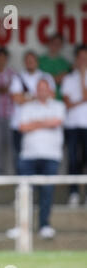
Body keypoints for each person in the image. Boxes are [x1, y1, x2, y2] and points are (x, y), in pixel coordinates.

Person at [7, 79, 65, 239]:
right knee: (24, 192)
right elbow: (23, 127)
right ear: (36, 91)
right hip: (28, 156)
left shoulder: (58, 106)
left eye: (45, 89)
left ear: (50, 91)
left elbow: (57, 122)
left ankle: (44, 225)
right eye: (39, 89)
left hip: (51, 155)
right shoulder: (26, 107)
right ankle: (21, 226)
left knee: (47, 192)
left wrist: (35, 123)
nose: (42, 91)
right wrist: (46, 122)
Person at [9, 51, 56, 174]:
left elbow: (52, 96)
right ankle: (22, 187)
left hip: (42, 123)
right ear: (24, 62)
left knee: (42, 156)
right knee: (20, 157)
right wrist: (38, 96)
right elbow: (16, 98)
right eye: (27, 60)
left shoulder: (46, 77)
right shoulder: (18, 77)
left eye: (32, 60)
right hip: (20, 124)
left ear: (37, 61)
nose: (30, 63)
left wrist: (27, 97)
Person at [61, 44, 87, 207]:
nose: (83, 60)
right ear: (76, 59)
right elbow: (67, 103)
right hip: (71, 125)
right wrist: (81, 100)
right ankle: (74, 193)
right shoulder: (68, 79)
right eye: (81, 57)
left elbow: (84, 95)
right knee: (72, 159)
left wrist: (83, 76)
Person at [0, 47, 15, 175]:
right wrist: (1, 89)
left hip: (10, 115)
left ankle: (10, 170)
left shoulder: (12, 73)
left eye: (3, 58)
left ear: (6, 59)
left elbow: (13, 91)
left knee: (10, 144)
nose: (1, 60)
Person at [39, 33, 71, 101]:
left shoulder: (64, 63)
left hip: (59, 98)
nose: (55, 46)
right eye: (53, 43)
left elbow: (63, 80)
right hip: (43, 98)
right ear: (49, 44)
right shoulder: (40, 60)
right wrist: (55, 78)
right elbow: (40, 79)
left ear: (61, 46)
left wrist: (50, 77)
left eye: (58, 44)